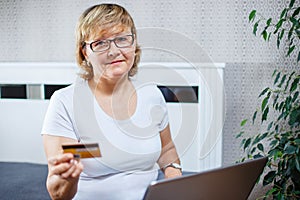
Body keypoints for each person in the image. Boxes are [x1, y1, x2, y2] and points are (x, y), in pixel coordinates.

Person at [41, 3, 182, 200]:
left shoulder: (152, 94)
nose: (113, 51)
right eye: (100, 43)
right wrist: (67, 179)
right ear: (85, 53)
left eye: (122, 39)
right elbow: (58, 193)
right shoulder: (65, 102)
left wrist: (174, 179)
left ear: (134, 45)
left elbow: (167, 149)